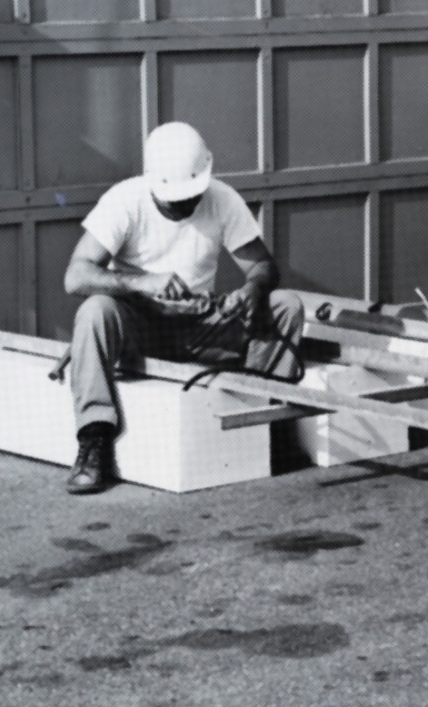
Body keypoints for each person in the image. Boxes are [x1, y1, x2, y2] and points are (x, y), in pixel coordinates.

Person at [62, 122, 304, 494]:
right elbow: (75, 276)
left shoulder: (222, 198)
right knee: (95, 311)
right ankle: (94, 438)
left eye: (192, 197)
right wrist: (142, 283)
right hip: (140, 327)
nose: (185, 206)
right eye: (175, 201)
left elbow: (263, 265)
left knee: (285, 305)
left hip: (199, 325)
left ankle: (267, 421)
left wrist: (251, 290)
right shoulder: (124, 201)